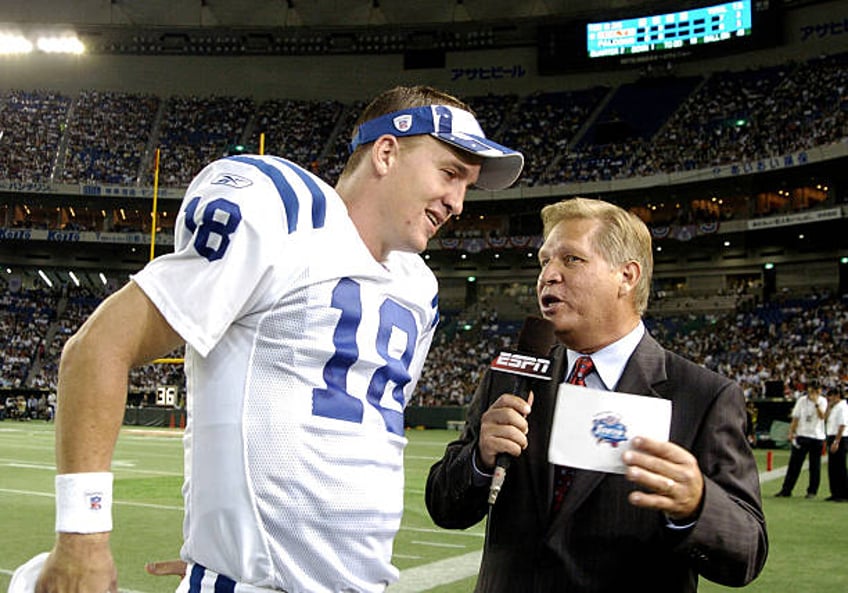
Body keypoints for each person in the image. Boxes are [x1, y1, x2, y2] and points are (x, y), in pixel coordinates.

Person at [24, 85, 524, 593]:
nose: (459, 203)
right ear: (387, 152)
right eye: (449, 174)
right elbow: (97, 348)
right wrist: (82, 536)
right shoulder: (286, 214)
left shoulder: (419, 289)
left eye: (467, 185)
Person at [425, 197, 768, 593]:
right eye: (544, 261)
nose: (548, 275)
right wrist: (480, 460)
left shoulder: (702, 396)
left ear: (627, 276)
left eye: (571, 259)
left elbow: (748, 552)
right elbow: (443, 506)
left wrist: (697, 504)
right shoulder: (510, 375)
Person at [775, 379, 827, 498]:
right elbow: (796, 417)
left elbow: (822, 416)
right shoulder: (802, 401)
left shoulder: (823, 401)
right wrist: (791, 432)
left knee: (815, 466)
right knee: (794, 465)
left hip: (816, 437)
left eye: (816, 389)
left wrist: (816, 403)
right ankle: (786, 490)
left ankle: (812, 491)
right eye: (812, 388)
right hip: (802, 435)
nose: (814, 391)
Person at [824, 388, 847, 501]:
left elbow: (842, 425)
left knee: (839, 467)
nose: (829, 398)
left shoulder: (842, 407)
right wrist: (828, 406)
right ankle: (835, 493)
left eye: (831, 396)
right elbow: (825, 418)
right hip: (832, 436)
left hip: (840, 438)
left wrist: (836, 442)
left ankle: (843, 494)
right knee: (832, 467)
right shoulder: (834, 407)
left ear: (837, 395)